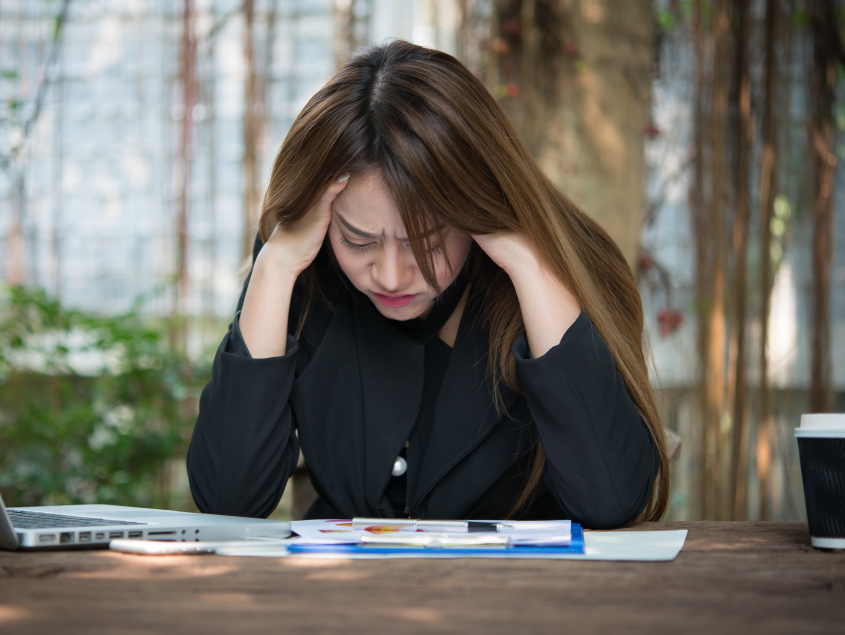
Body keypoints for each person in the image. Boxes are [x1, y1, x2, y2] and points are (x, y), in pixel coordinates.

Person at [187, 40, 669, 529]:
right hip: (342, 594)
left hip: (521, 594)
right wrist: (274, 266)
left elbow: (612, 499)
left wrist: (530, 265)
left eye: (428, 243)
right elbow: (230, 500)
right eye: (358, 240)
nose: (392, 275)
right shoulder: (298, 269)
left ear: (475, 210)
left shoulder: (562, 266)